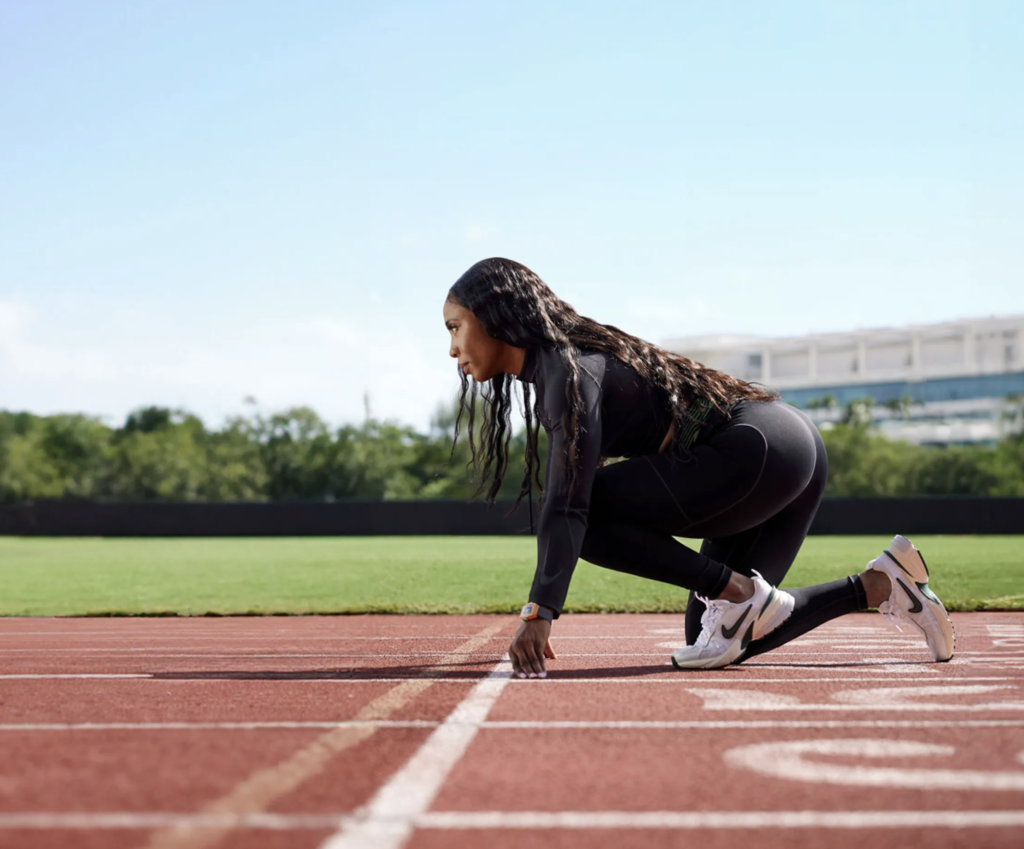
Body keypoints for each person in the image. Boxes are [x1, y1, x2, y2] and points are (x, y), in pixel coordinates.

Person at [443, 257, 954, 679]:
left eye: (455, 327)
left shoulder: (565, 372)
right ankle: (880, 585)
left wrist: (540, 611)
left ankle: (737, 590)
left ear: (494, 316)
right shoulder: (565, 368)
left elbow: (568, 504)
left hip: (755, 448)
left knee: (586, 515)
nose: (452, 349)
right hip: (785, 448)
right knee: (720, 637)